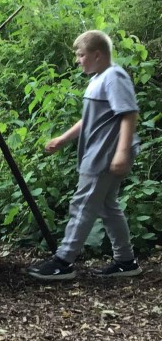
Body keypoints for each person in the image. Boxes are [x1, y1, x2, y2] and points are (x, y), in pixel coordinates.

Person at [29, 30, 142, 280]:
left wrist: (122, 152)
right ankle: (126, 261)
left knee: (82, 205)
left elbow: (128, 114)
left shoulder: (114, 77)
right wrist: (63, 139)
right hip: (99, 153)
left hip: (105, 154)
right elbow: (89, 119)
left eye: (81, 55)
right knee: (108, 207)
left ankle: (63, 262)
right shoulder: (99, 78)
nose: (78, 60)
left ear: (97, 55)